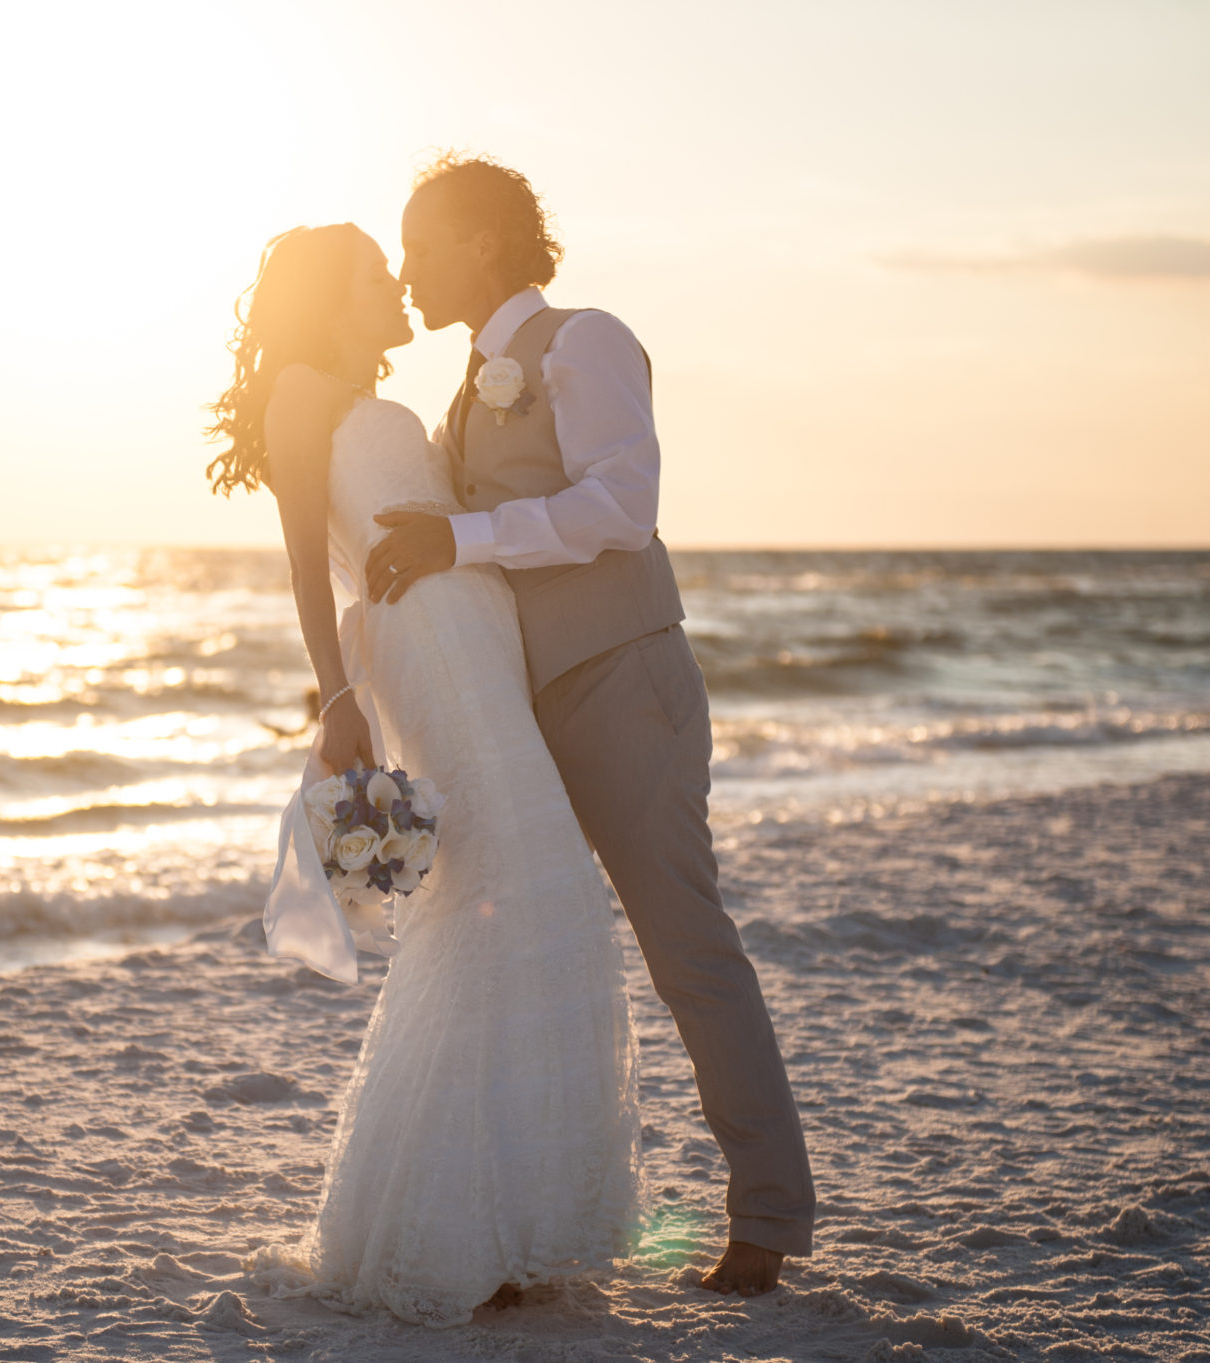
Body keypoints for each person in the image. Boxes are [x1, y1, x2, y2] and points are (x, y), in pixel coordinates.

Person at [366, 153, 816, 1295]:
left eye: (420, 244)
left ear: (480, 242)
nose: (407, 268)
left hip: (621, 682)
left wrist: (456, 542)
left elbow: (623, 507)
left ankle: (766, 1219)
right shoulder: (464, 391)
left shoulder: (583, 340)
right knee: (522, 953)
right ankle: (509, 1228)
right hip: (528, 711)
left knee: (684, 948)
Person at [207, 222, 645, 1327]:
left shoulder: (390, 394)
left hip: (476, 635)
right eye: (372, 273)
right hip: (424, 648)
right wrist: (336, 698)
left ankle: (508, 1217)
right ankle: (445, 1226)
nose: (396, 283)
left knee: (512, 893)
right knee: (517, 874)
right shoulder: (302, 393)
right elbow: (305, 562)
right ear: (324, 298)